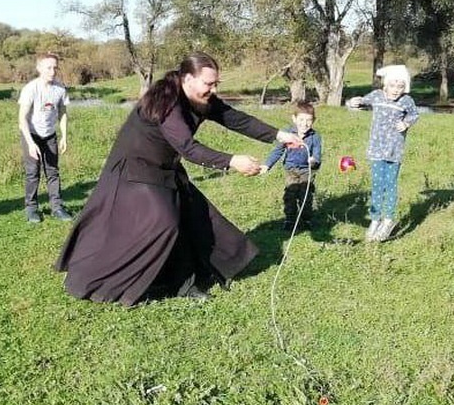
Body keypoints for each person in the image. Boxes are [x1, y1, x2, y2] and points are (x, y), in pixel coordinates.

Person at [55, 52, 302, 305]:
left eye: (216, 84)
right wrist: (232, 161)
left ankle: (186, 283)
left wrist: (279, 135)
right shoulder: (168, 103)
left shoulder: (200, 98)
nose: (213, 90)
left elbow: (235, 118)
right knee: (164, 223)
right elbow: (188, 148)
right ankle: (106, 281)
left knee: (196, 216)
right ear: (188, 79)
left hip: (166, 169)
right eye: (208, 83)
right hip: (135, 171)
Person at [347, 64, 420, 242]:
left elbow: (414, 114)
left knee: (390, 185)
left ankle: (388, 220)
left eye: (400, 86)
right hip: (376, 149)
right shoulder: (377, 96)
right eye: (393, 85)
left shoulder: (406, 101)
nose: (396, 90)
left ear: (405, 87)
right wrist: (353, 102)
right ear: (385, 85)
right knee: (377, 185)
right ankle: (375, 219)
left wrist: (406, 123)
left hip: (394, 150)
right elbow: (362, 102)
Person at [18, 52, 71, 223]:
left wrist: (64, 137)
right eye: (48, 68)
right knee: (33, 172)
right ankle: (31, 208)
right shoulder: (31, 89)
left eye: (55, 67)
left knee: (53, 171)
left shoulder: (60, 89)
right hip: (31, 134)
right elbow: (22, 119)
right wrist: (30, 143)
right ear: (39, 68)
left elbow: (63, 113)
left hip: (50, 135)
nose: (52, 71)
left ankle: (57, 207)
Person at [260, 100, 323, 230]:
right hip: (291, 169)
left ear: (313, 120)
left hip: (307, 171)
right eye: (301, 120)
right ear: (294, 119)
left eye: (308, 120)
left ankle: (306, 220)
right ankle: (290, 219)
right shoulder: (287, 134)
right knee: (290, 194)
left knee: (306, 196)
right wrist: (267, 165)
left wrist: (313, 160)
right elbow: (278, 151)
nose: (304, 124)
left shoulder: (315, 136)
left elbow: (317, 155)